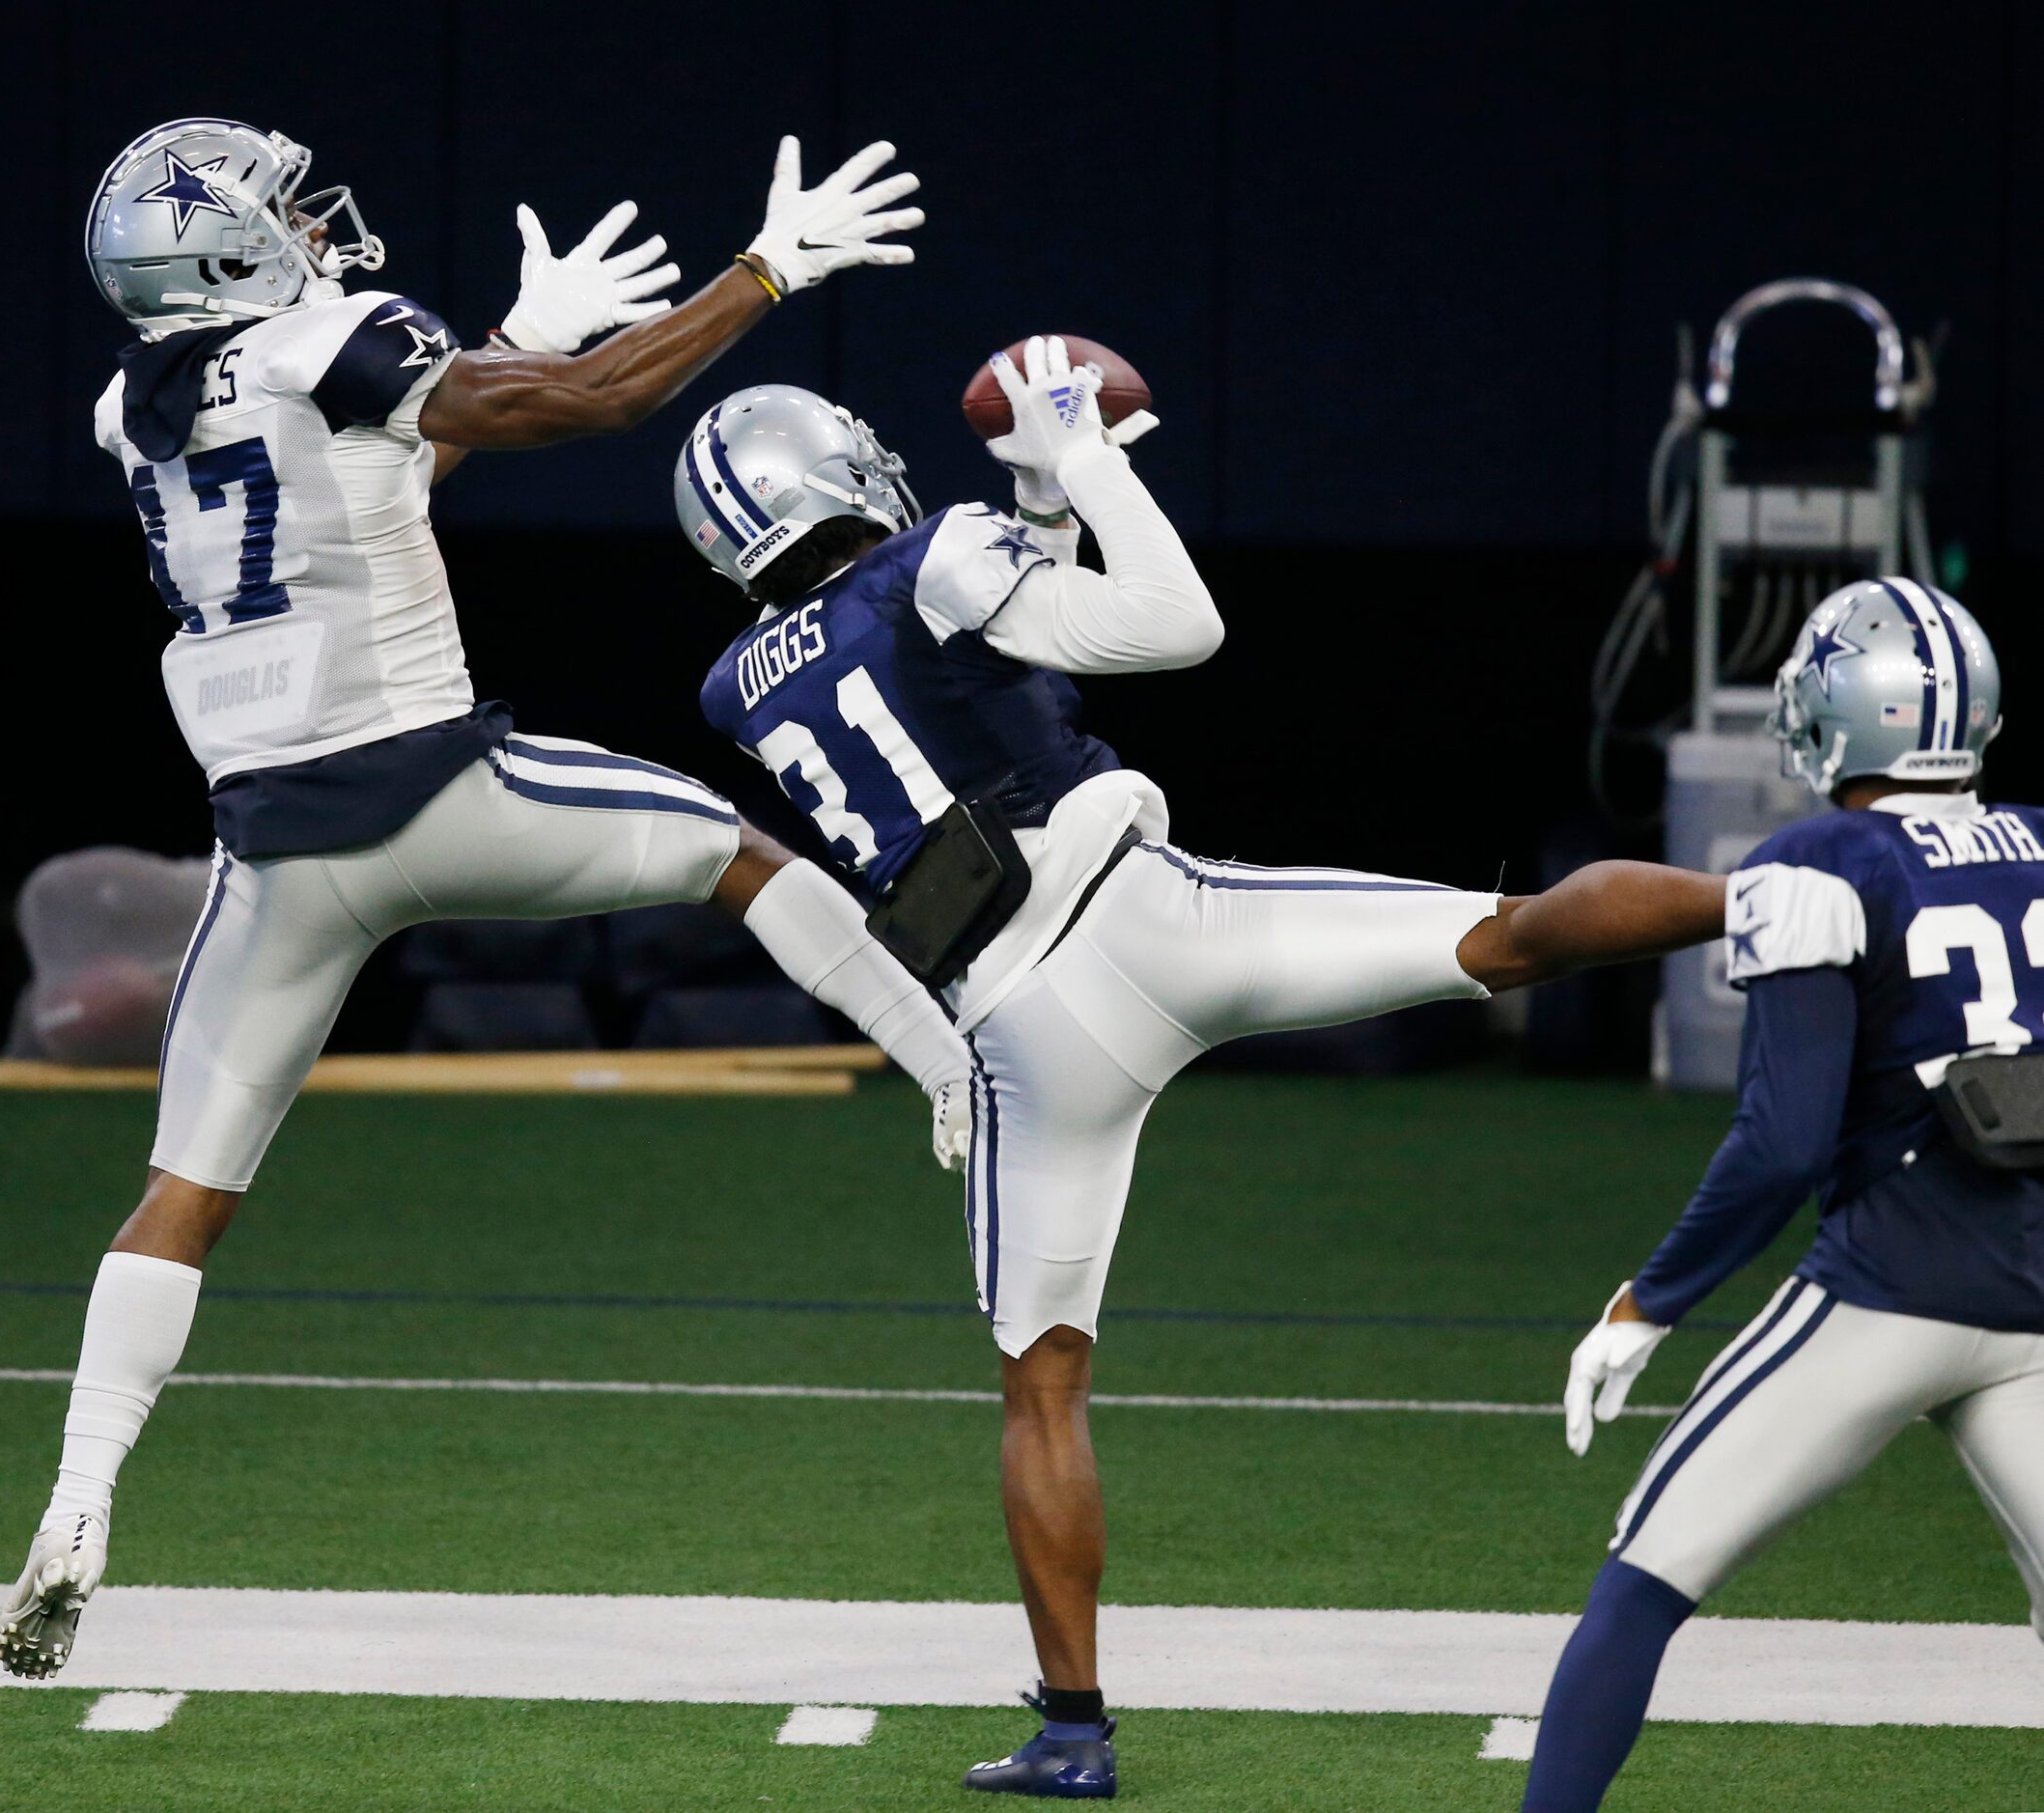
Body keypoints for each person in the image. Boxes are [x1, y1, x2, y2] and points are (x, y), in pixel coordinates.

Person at [673, 338, 1729, 1798]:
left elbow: (971, 664)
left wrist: (1046, 489)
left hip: (1011, 1028)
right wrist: (1084, 459)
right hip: (1141, 914)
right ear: (835, 465)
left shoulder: (734, 684)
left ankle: (1069, 1730)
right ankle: (1803, 893)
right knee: (1507, 938)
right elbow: (1176, 625)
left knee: (1040, 1386)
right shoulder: (937, 549)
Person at [0, 118, 968, 1681]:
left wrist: (514, 335)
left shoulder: (134, 402)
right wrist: (763, 270)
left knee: (183, 1192)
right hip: (438, 794)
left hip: (271, 859)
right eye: (284, 209)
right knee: (739, 857)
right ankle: (947, 1068)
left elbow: (358, 482)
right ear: (228, 249)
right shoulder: (337, 335)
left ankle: (75, 1499)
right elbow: (585, 407)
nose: (316, 222)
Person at [1524, 579, 2044, 1811]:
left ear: (1836, 714)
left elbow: (1779, 1143)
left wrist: (1648, 1302)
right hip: (2033, 1303)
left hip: (1882, 1294)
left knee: (1643, 1579)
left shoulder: (1810, 862)